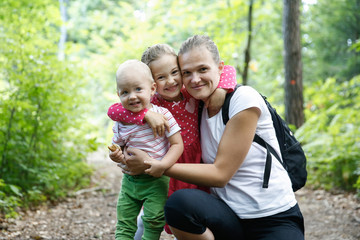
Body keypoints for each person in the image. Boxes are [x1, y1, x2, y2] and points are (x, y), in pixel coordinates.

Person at [110, 35, 305, 240]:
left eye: (202, 70)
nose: (194, 79)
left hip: (272, 215)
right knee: (172, 206)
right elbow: (118, 106)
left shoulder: (236, 98)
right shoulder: (188, 101)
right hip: (226, 213)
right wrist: (145, 114)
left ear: (219, 68)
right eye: (187, 73)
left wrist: (153, 164)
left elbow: (220, 175)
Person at [107, 44, 237, 237]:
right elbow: (113, 110)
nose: (170, 81)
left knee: (185, 211)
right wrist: (144, 115)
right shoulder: (154, 102)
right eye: (161, 77)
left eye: (175, 72)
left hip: (193, 160)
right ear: (151, 84)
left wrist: (221, 90)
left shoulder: (190, 92)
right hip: (164, 158)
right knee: (155, 211)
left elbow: (227, 70)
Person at [109, 59, 184, 240]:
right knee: (124, 220)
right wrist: (116, 155)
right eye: (125, 92)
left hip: (156, 180)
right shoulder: (121, 121)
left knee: (153, 220)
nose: (132, 96)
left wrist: (163, 165)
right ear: (118, 94)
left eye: (138, 89)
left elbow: (177, 144)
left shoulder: (163, 115)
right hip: (130, 181)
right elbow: (119, 147)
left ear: (152, 89)